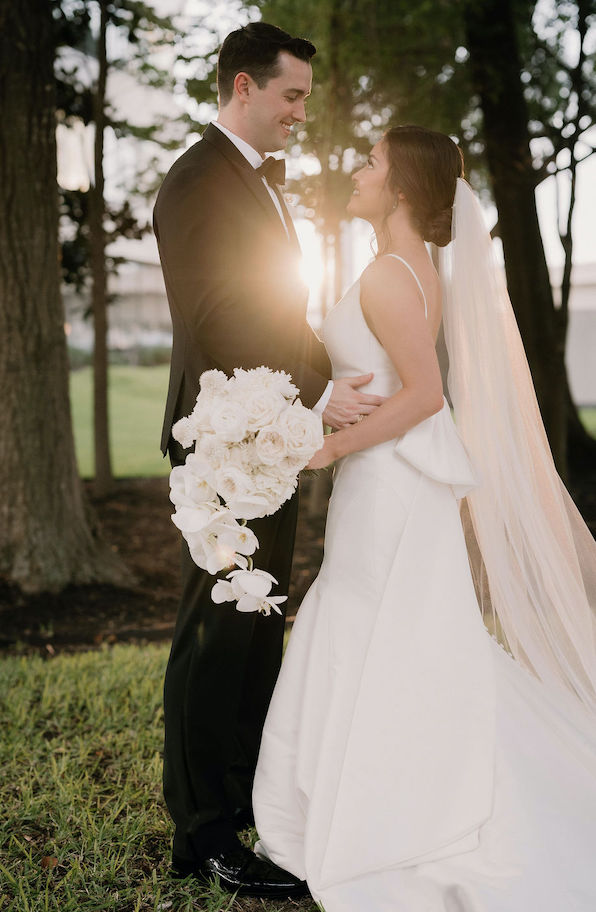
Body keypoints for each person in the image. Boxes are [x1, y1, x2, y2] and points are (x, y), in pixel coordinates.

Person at [252, 125, 596, 911]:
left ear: (402, 186)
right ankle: (352, 796)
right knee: (384, 627)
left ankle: (393, 809)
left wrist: (329, 449)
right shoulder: (403, 269)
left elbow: (424, 395)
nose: (359, 171)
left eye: (371, 162)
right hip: (387, 477)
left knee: (378, 625)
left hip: (390, 481)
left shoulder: (390, 277)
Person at [153, 22, 382, 898]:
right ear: (242, 88)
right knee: (214, 635)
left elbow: (278, 307)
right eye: (290, 97)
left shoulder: (256, 183)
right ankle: (202, 831)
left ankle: (247, 805)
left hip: (271, 438)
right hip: (222, 445)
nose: (299, 115)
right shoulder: (197, 181)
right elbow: (220, 313)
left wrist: (318, 378)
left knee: (258, 630)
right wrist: (319, 393)